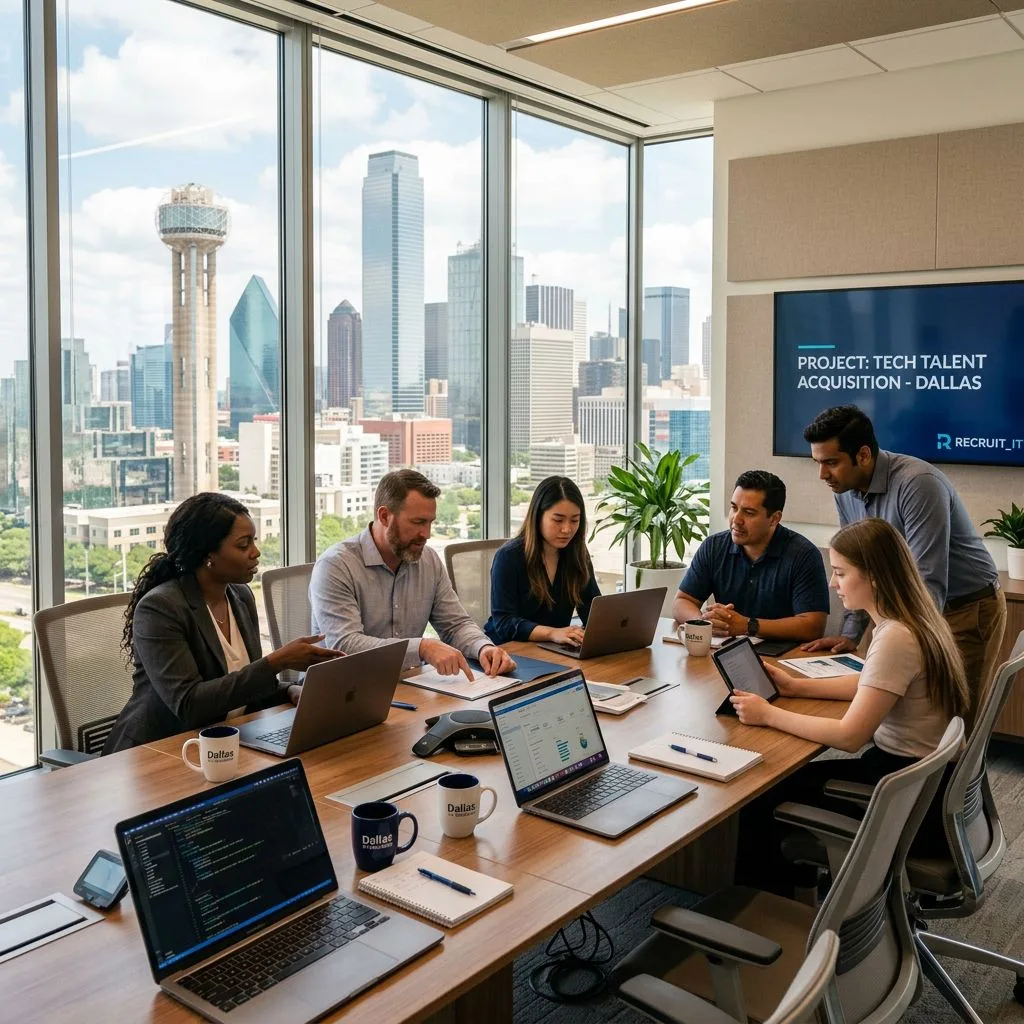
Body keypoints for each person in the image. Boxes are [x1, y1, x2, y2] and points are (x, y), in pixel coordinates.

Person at [730, 517, 969, 893]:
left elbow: (850, 735)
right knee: (790, 782)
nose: (832, 583)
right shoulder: (914, 621)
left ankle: (768, 917)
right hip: (927, 786)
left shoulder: (896, 637)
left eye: (840, 572)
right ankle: (802, 894)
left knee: (762, 796)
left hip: (908, 801)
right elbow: (873, 682)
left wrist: (769, 714)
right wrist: (797, 687)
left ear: (873, 575)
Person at [802, 405, 1005, 721]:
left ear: (864, 455)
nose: (822, 474)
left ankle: (959, 774)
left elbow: (929, 577)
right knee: (891, 716)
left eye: (831, 462)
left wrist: (908, 641)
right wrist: (851, 634)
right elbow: (854, 563)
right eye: (818, 463)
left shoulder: (918, 483)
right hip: (899, 608)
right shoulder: (844, 488)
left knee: (951, 722)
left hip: (965, 607)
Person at [104, 493, 337, 753]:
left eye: (254, 541)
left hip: (222, 745)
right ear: (207, 554)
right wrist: (276, 663)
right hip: (160, 750)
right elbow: (189, 704)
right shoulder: (161, 609)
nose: (256, 552)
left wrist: (289, 691)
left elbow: (242, 687)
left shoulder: (239, 595)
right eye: (243, 545)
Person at [310, 469, 515, 680]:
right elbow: (346, 645)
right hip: (346, 688)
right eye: (418, 522)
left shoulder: (428, 560)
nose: (426, 534)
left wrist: (483, 648)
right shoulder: (336, 566)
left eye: (430, 522)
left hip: (410, 683)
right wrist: (422, 648)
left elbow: (455, 625)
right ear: (384, 516)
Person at [673, 470, 829, 643]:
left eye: (748, 512)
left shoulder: (804, 555)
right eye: (734, 508)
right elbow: (682, 601)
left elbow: (813, 626)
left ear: (774, 518)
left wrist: (749, 626)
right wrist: (704, 621)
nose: (736, 520)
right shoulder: (713, 546)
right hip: (727, 651)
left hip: (783, 656)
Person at [484, 476, 601, 647]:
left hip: (554, 650)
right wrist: (552, 633)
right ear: (538, 516)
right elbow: (504, 623)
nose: (567, 529)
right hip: (508, 651)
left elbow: (592, 611)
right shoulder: (509, 557)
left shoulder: (577, 554)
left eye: (575, 520)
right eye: (558, 520)